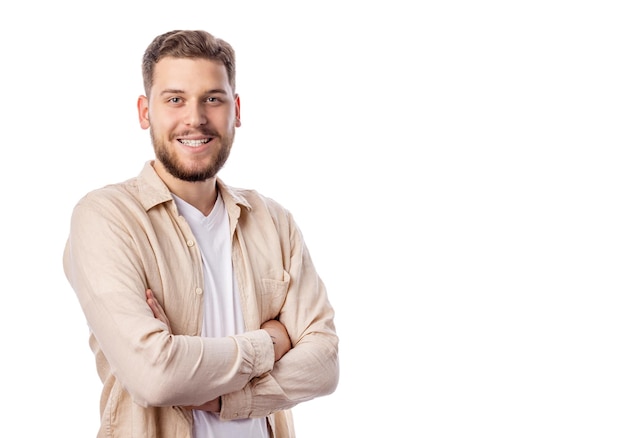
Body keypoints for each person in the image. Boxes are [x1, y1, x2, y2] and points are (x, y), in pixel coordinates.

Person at [63, 29, 339, 438]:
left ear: (236, 110)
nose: (195, 118)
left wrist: (227, 399)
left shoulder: (273, 221)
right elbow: (155, 375)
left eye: (213, 98)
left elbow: (324, 365)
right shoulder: (105, 218)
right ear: (145, 112)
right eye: (175, 99)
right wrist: (271, 340)